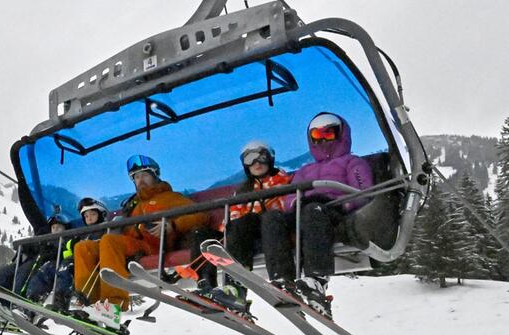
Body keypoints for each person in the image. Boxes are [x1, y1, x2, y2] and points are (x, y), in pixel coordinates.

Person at [73, 155, 211, 318]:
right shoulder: (134, 204)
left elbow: (201, 215)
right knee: (83, 247)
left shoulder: (170, 198)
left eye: (145, 175)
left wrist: (172, 225)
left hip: (153, 247)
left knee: (109, 241)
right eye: (136, 177)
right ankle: (87, 304)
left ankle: (112, 306)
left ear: (155, 175)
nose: (140, 180)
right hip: (130, 244)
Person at [283, 112, 375, 317]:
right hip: (304, 212)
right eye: (317, 134)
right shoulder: (304, 171)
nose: (322, 139)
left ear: (341, 135)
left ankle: (317, 279)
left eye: (329, 133)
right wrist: (295, 203)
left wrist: (344, 204)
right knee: (273, 219)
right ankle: (283, 278)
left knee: (313, 210)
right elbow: (288, 198)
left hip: (333, 211)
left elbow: (363, 192)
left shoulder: (353, 162)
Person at [213, 141, 294, 310]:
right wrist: (228, 229)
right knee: (239, 224)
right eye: (250, 159)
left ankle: (283, 280)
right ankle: (235, 286)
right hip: (249, 233)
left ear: (270, 159)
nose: (256, 163)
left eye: (261, 157)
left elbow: (288, 203)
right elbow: (233, 213)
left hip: (276, 227)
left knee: (266, 218)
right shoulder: (243, 190)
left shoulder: (284, 180)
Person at [0, 214, 72, 320]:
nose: (55, 229)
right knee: (6, 272)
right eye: (53, 227)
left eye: (59, 227)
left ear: (65, 228)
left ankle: (16, 306)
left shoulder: (66, 240)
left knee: (24, 272)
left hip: (46, 264)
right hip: (35, 260)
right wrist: (28, 247)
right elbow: (35, 249)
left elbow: (65, 254)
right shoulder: (46, 239)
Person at [27, 198, 109, 311]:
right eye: (86, 216)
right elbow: (69, 249)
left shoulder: (105, 230)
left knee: (67, 267)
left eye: (93, 214)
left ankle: (63, 300)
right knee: (49, 268)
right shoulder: (83, 233)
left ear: (101, 214)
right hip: (75, 261)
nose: (89, 218)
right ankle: (34, 301)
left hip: (92, 262)